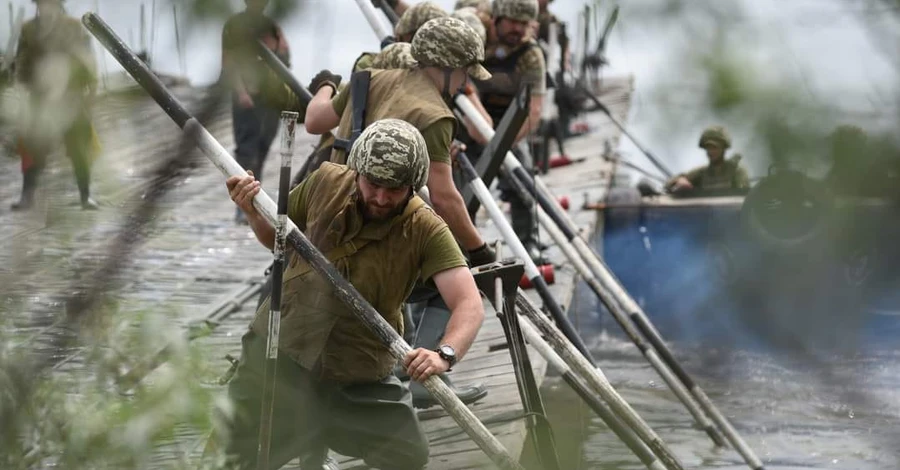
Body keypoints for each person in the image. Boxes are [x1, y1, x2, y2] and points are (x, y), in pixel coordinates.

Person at [222, 119, 485, 470]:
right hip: (281, 355)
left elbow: (469, 303)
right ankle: (303, 434)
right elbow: (277, 238)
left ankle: (316, 431)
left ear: (412, 186)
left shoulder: (426, 228)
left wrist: (444, 354)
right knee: (240, 458)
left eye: (393, 189)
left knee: (408, 453)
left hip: (354, 373)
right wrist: (252, 211)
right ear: (357, 171)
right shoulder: (325, 182)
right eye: (373, 183)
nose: (380, 197)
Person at [305, 17, 495, 408]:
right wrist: (477, 251)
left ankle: (395, 363)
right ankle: (422, 382)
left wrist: (325, 84)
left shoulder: (370, 78)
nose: (464, 85)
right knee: (456, 287)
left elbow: (314, 120)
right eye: (462, 75)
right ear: (444, 68)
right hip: (378, 237)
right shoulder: (435, 116)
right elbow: (444, 198)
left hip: (327, 226)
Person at [466, 0, 547, 262]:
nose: (518, 29)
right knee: (464, 176)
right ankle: (463, 243)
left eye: (524, 24)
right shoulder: (475, 32)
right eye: (512, 22)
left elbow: (534, 112)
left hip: (510, 121)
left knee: (521, 171)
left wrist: (503, 145)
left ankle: (529, 241)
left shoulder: (531, 54)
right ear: (496, 19)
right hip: (469, 113)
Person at [12, 0, 99, 211]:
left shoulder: (73, 27)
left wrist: (89, 90)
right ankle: (27, 196)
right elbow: (21, 62)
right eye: (42, 3)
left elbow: (86, 60)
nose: (46, 7)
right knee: (31, 145)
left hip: (70, 97)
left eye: (50, 3)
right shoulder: (28, 29)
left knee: (79, 145)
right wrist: (21, 88)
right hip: (39, 98)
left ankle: (85, 196)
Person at [221, 0, 290, 223]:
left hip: (270, 99)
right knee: (246, 150)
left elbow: (284, 57)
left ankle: (253, 200)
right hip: (246, 98)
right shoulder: (235, 24)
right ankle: (243, 205)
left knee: (262, 148)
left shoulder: (271, 25)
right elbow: (229, 62)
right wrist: (241, 92)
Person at [666, 126, 750, 193]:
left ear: (723, 149)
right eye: (708, 148)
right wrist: (680, 181)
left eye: (714, 148)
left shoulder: (736, 171)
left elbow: (743, 197)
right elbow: (669, 184)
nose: (711, 152)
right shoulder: (702, 173)